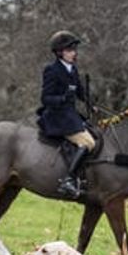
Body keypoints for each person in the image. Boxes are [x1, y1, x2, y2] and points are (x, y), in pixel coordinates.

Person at [37, 30, 95, 199]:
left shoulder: (73, 70)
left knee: (95, 137)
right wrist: (63, 98)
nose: (73, 53)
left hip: (70, 116)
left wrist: (90, 104)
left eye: (74, 50)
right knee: (88, 143)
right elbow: (45, 98)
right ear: (60, 52)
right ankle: (68, 180)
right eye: (70, 50)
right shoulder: (52, 70)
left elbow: (80, 92)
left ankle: (82, 179)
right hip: (57, 117)